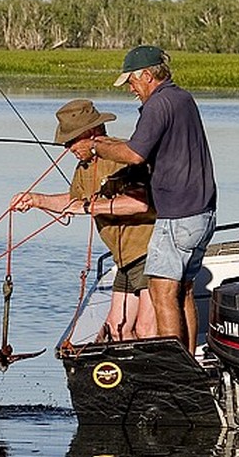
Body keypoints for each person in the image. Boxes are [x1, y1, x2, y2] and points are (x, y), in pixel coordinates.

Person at [89, 45, 217, 354]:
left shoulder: (158, 105)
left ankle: (173, 368)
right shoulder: (183, 99)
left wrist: (100, 148)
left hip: (176, 215)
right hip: (203, 212)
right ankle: (188, 365)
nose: (131, 89)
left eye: (131, 81)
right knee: (183, 291)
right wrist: (125, 177)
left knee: (161, 293)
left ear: (147, 75)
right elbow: (165, 154)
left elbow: (134, 152)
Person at [10, 99, 157, 341]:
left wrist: (89, 206)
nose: (68, 148)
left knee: (146, 329)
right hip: (124, 258)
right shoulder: (85, 166)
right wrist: (35, 200)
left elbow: (138, 203)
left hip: (148, 251)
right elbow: (74, 202)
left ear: (91, 133)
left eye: (71, 141)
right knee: (117, 328)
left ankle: (161, 375)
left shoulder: (123, 155)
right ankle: (130, 377)